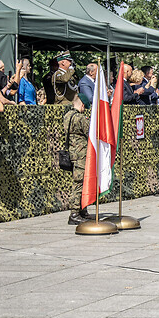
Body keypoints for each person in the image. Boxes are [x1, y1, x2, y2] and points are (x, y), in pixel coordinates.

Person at [64, 93, 95, 225]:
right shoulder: (80, 118)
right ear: (82, 105)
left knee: (81, 182)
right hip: (81, 155)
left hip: (73, 154)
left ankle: (82, 210)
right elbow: (91, 133)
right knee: (80, 183)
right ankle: (75, 213)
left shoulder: (67, 116)